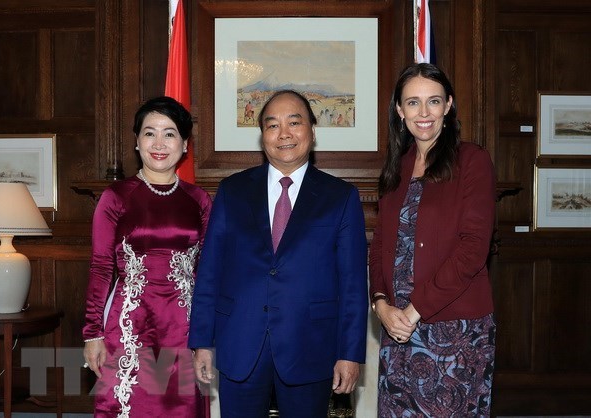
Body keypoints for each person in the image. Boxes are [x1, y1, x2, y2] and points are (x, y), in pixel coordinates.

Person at [189, 89, 368, 418]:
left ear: (313, 131)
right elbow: (209, 271)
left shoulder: (340, 197)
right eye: (272, 125)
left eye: (294, 122)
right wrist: (202, 340)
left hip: (310, 345)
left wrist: (350, 353)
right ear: (262, 137)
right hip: (239, 341)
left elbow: (353, 284)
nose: (283, 133)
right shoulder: (232, 191)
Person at [369, 63, 496, 417]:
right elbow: (380, 244)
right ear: (399, 109)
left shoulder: (472, 160)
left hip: (454, 331)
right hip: (398, 330)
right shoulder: (398, 165)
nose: (423, 113)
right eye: (413, 103)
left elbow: (473, 249)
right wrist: (380, 304)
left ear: (449, 105)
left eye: (434, 101)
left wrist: (414, 310)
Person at [82, 96, 211, 417]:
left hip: (184, 328)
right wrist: (93, 334)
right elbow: (100, 268)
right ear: (137, 142)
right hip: (128, 326)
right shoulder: (116, 197)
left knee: (181, 408)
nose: (159, 143)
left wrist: (206, 339)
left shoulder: (199, 201)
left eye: (170, 134)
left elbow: (207, 275)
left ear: (184, 145)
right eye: (149, 132)